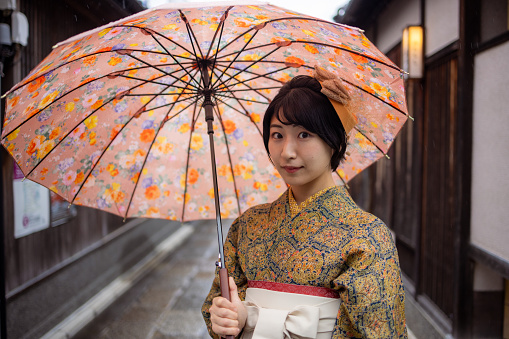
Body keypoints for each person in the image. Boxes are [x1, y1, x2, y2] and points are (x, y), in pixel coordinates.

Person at [201, 66, 408, 338]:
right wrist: (228, 320)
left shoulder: (367, 236)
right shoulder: (247, 225)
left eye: (304, 134)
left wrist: (260, 322)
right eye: (277, 135)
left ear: (333, 141)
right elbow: (219, 306)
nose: (286, 152)